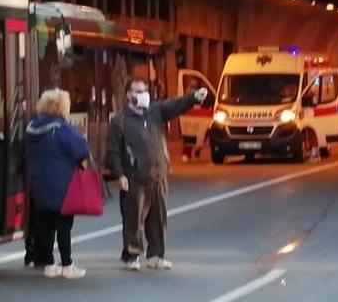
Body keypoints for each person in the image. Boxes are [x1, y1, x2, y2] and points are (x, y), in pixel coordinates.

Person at [105, 78, 208, 271]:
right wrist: (119, 175)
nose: (143, 94)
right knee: (133, 218)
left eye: (144, 90)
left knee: (158, 217)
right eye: (137, 91)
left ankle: (156, 255)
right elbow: (113, 151)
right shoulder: (120, 121)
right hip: (135, 176)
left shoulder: (156, 112)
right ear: (128, 95)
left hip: (158, 174)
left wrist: (193, 98)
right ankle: (132, 256)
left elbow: (175, 105)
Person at [25, 88, 92, 280]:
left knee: (44, 223)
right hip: (62, 184)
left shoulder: (32, 127)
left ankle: (47, 263)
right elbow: (81, 149)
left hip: (38, 182)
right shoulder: (62, 129)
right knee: (64, 225)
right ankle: (67, 264)